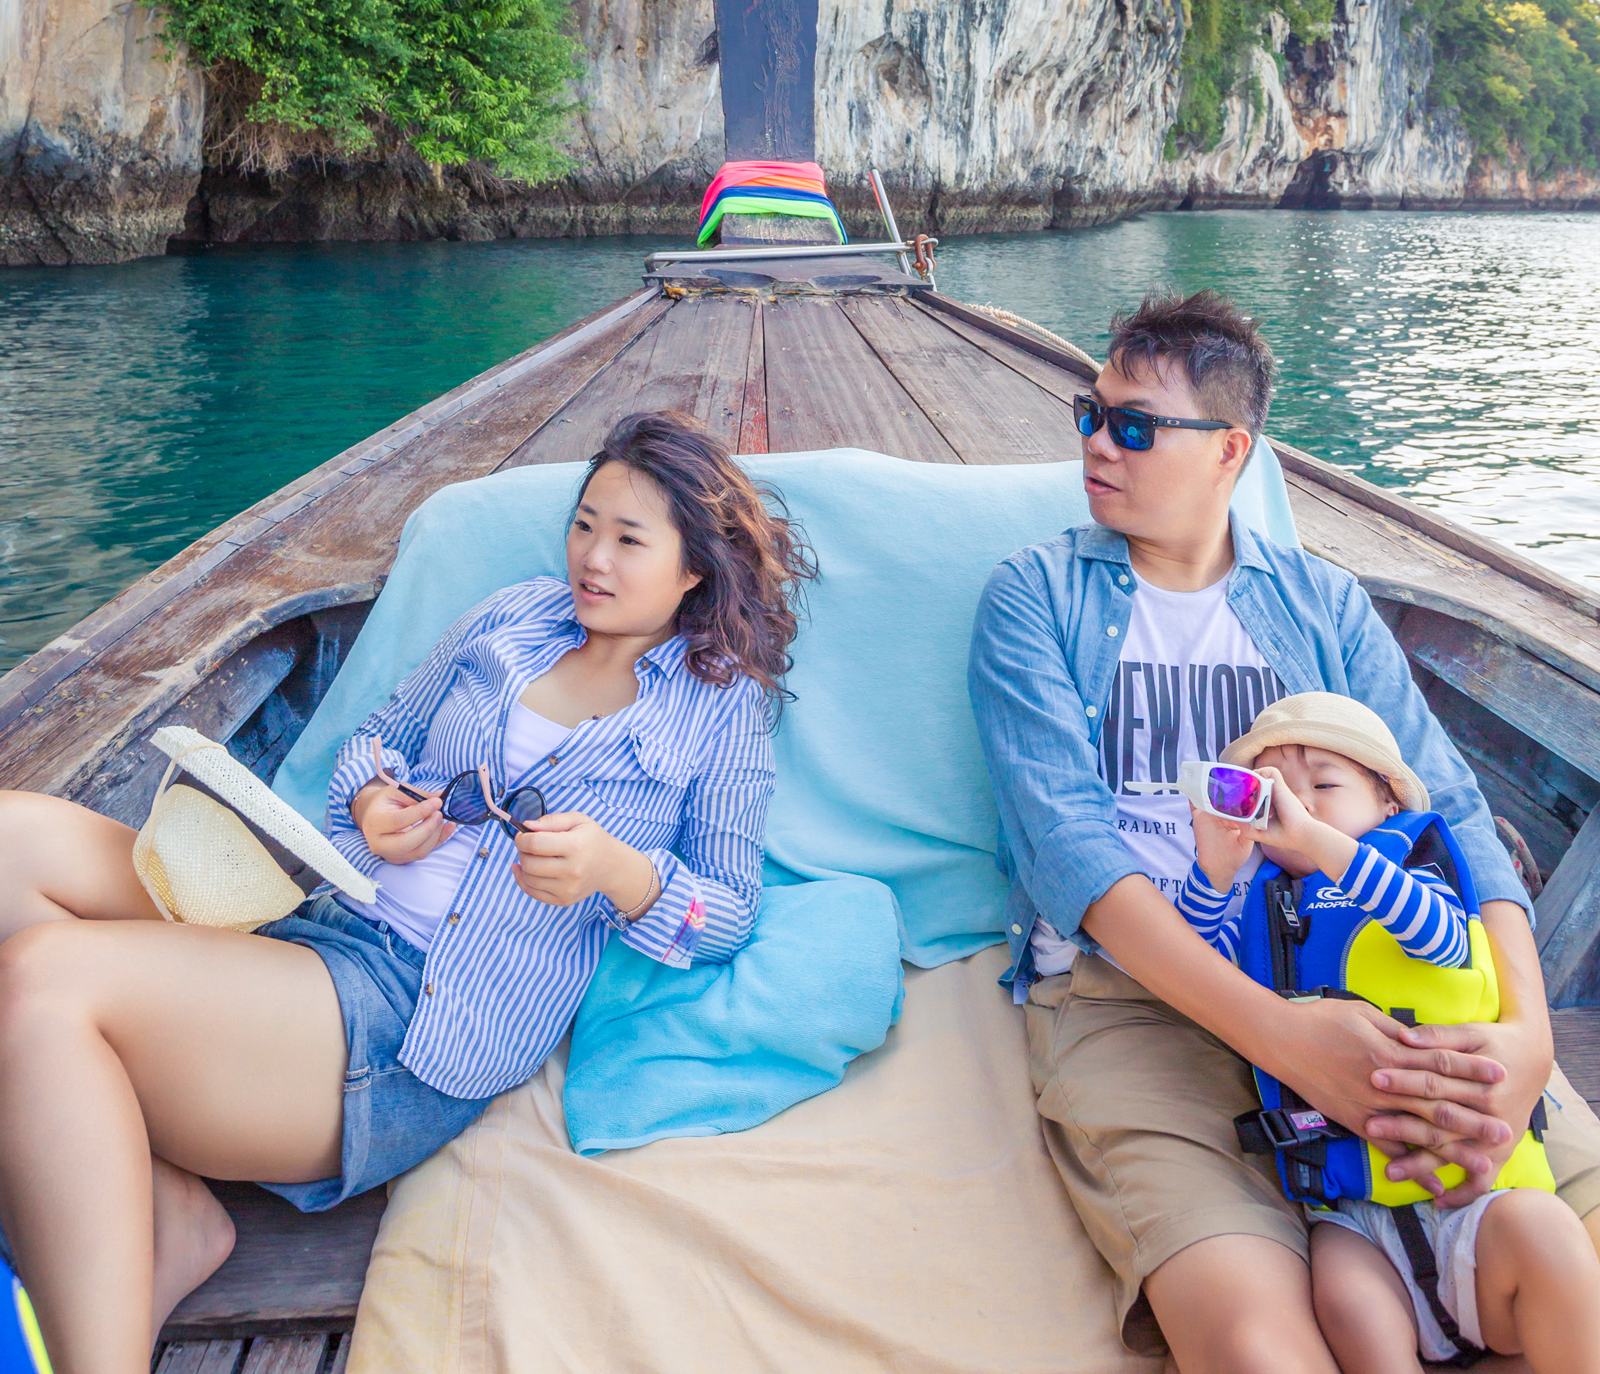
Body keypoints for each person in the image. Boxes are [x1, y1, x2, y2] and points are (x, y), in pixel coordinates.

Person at [0, 410, 812, 1374]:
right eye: (584, 524)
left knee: (43, 984)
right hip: (316, 910)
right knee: (11, 838)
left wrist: (620, 873)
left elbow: (728, 914)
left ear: (694, 570)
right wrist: (374, 802)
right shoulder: (513, 618)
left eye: (629, 540)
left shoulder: (722, 711)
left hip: (406, 1017)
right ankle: (168, 1216)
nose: (592, 558)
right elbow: (378, 738)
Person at [967, 289, 1600, 1374]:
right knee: (1263, 1348)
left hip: (1376, 976)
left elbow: (1447, 812)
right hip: (1143, 1006)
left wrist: (1527, 1038)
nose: (1096, 444)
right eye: (1090, 413)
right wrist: (1284, 1039)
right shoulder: (1034, 598)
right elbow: (1070, 852)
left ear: (1230, 450)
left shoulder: (1323, 603)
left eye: (1133, 425)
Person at [1178, 692, 1600, 1371]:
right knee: (1342, 1291)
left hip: (1481, 1210)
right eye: (1278, 793)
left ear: (1387, 803)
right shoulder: (1265, 904)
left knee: (1548, 1234)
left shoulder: (1416, 879)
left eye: (1324, 785)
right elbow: (1197, 963)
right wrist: (1214, 872)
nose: (1301, 805)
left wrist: (1322, 844)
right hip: (1358, 1222)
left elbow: (1440, 938)